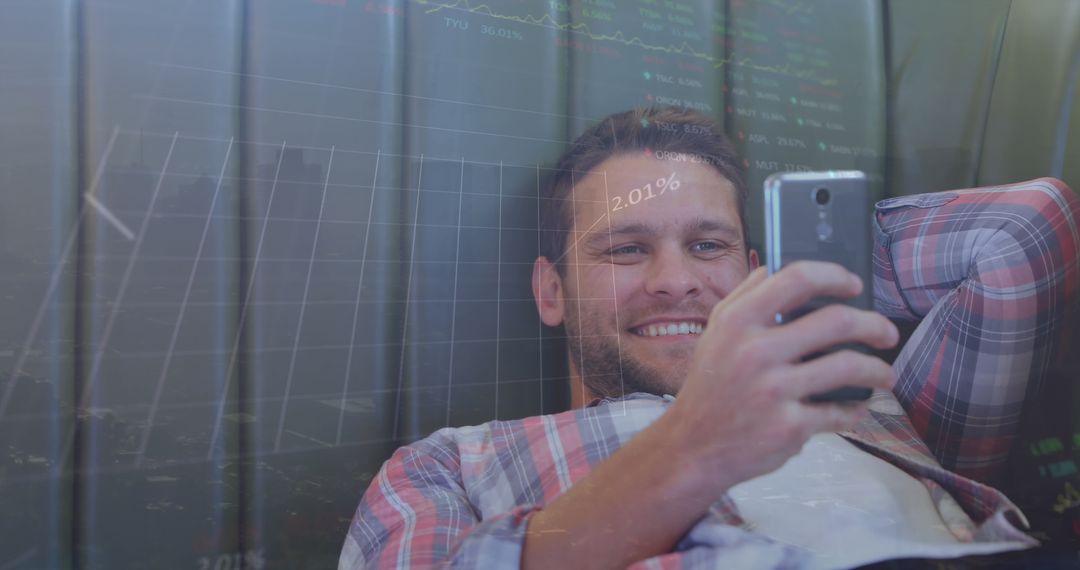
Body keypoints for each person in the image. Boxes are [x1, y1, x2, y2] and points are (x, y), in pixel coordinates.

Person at [339, 108, 1080, 569]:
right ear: (551, 290)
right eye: (625, 249)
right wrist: (697, 442)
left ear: (757, 269)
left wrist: (805, 273)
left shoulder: (866, 410)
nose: (674, 281)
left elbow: (1022, 232)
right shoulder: (446, 465)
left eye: (708, 247)